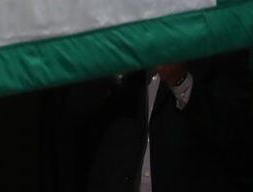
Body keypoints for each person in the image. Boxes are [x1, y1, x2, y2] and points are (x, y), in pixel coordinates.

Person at [84, 49, 252, 192]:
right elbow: (76, 113)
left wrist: (181, 82)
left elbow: (237, 134)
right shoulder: (119, 52)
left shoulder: (221, 48)